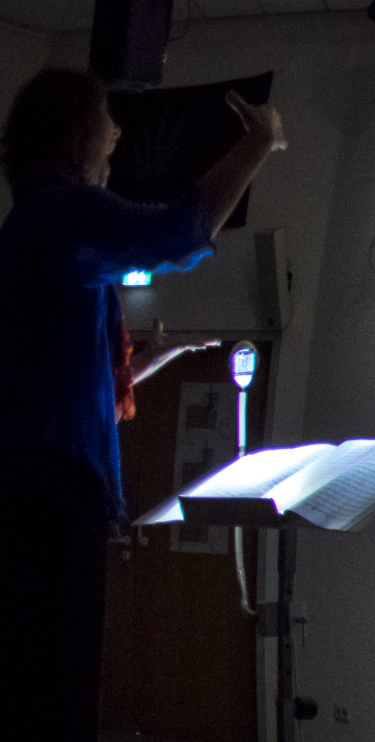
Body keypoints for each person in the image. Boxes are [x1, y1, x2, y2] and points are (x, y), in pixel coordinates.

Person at [0, 70, 284, 741]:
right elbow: (177, 235)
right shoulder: (61, 214)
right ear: (76, 136)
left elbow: (74, 385)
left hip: (34, 493)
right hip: (49, 498)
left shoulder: (34, 225)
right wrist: (258, 142)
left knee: (40, 686)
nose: (118, 134)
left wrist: (157, 357)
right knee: (55, 695)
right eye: (107, 122)